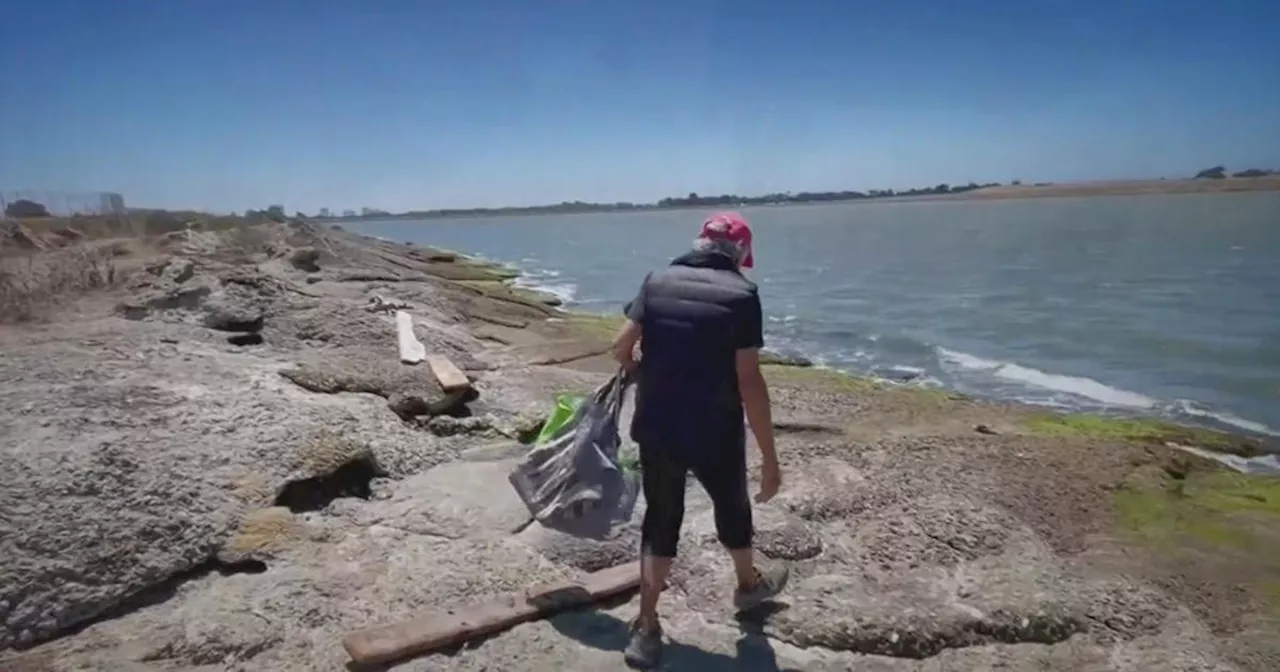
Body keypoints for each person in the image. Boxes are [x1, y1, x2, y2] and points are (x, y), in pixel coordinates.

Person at [610, 211, 787, 668]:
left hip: (658, 425)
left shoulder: (657, 279)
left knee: (661, 521)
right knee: (732, 507)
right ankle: (748, 587)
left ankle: (647, 628)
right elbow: (749, 379)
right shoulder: (743, 295)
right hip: (716, 428)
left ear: (700, 242)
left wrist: (645, 375)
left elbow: (620, 348)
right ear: (742, 253)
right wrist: (769, 457)